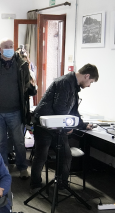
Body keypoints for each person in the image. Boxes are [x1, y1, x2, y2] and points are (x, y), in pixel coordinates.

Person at [29, 64, 99, 192]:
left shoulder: (74, 86)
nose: (89, 85)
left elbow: (73, 110)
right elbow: (59, 108)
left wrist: (82, 125)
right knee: (41, 155)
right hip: (44, 124)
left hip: (57, 125)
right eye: (91, 82)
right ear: (86, 76)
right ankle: (35, 185)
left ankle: (62, 185)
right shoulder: (65, 82)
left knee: (66, 155)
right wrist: (67, 127)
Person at [0, 38, 31, 179]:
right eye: (6, 46)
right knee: (0, 142)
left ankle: (22, 167)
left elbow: (27, 83)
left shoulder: (21, 64)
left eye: (11, 46)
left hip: (16, 111)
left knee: (19, 141)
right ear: (0, 48)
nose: (10, 48)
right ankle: (3, 168)